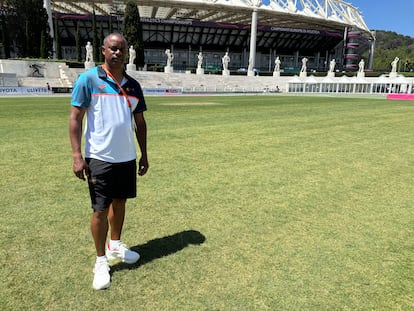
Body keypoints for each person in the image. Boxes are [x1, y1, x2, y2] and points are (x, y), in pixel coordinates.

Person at [69, 33, 149, 290]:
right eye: (113, 49)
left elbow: (140, 123)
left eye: (122, 50)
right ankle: (101, 260)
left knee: (120, 202)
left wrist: (144, 154)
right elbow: (75, 119)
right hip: (99, 158)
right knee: (100, 210)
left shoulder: (134, 85)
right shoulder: (89, 79)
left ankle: (114, 245)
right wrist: (77, 156)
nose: (117, 53)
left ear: (127, 53)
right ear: (103, 50)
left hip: (126, 157)